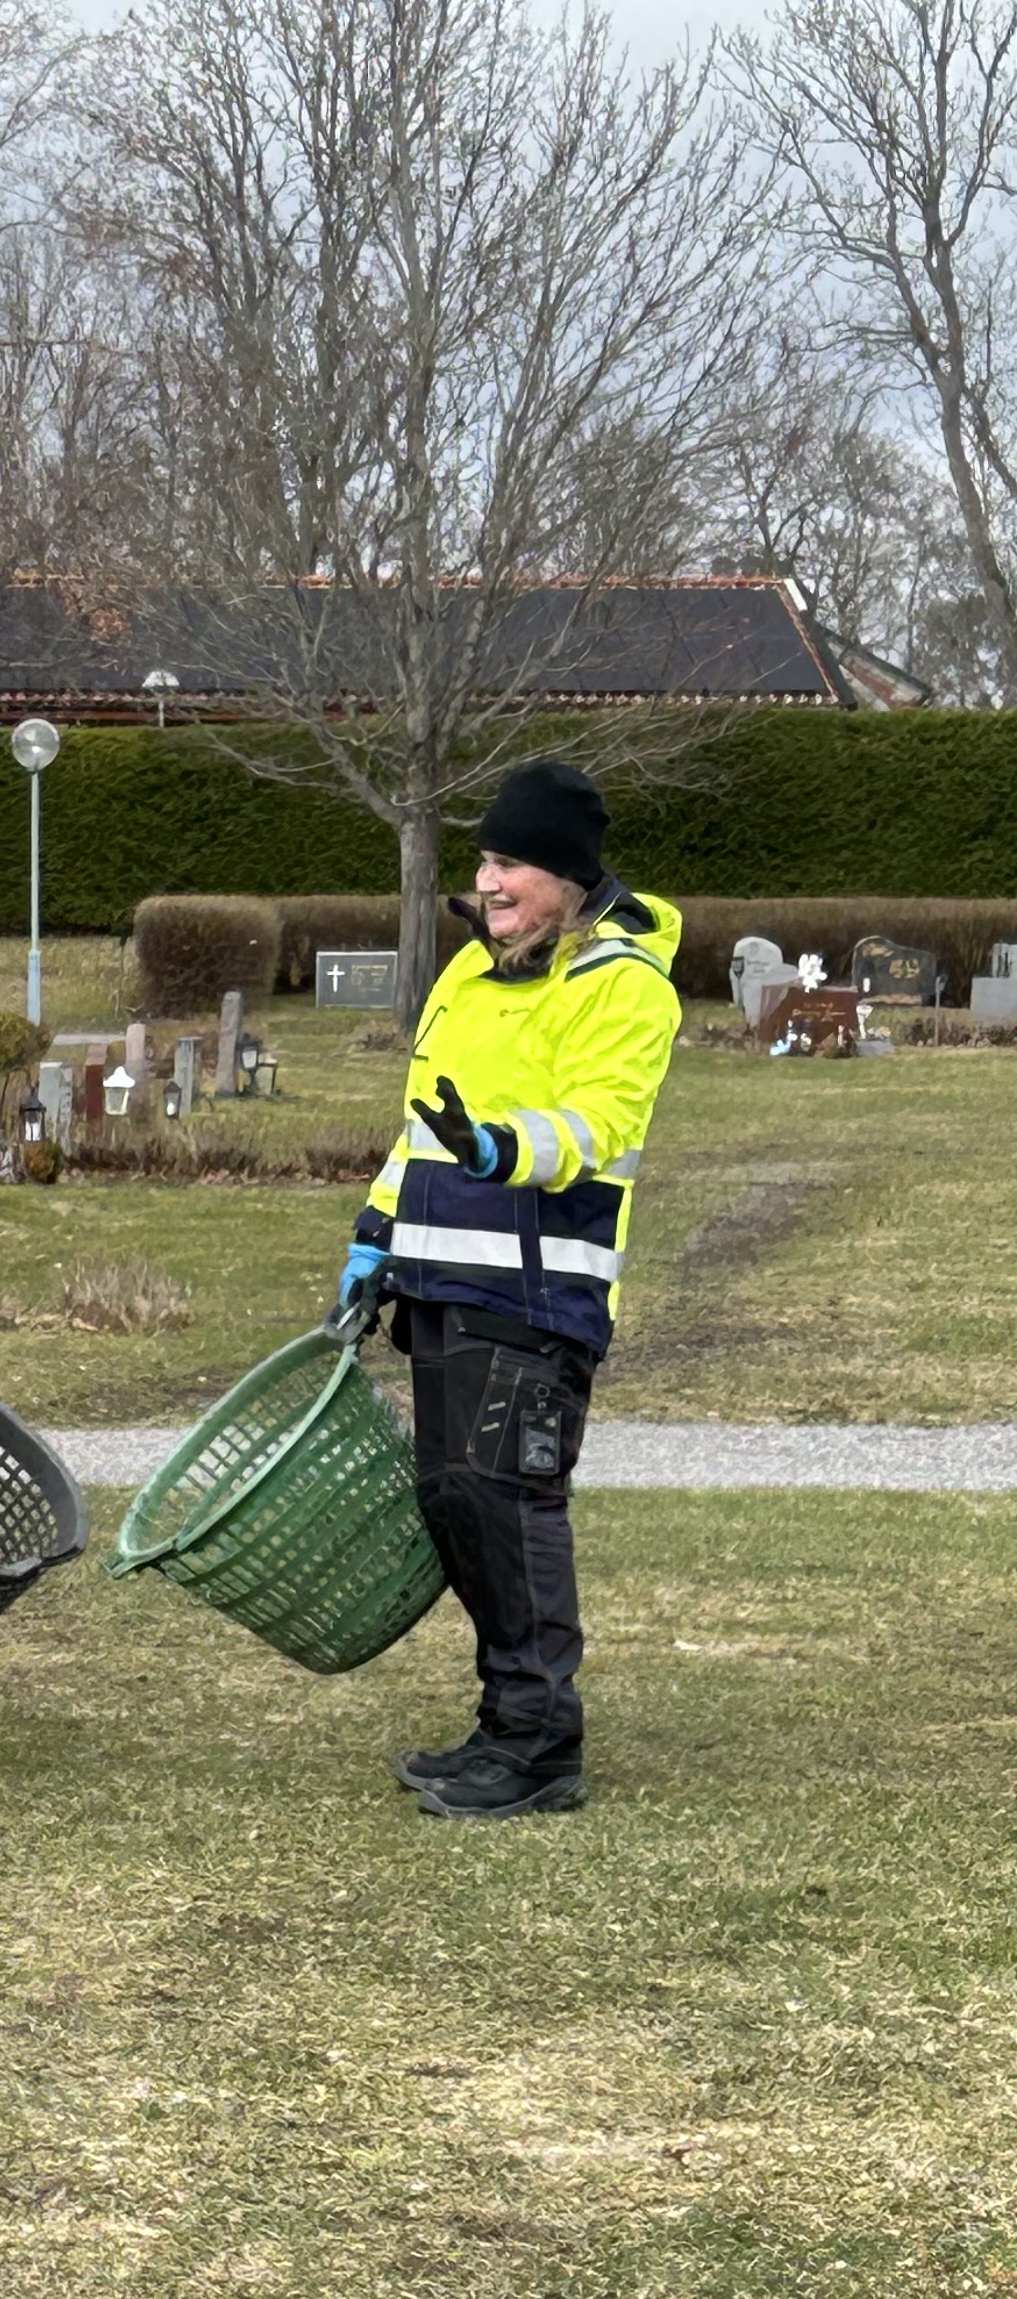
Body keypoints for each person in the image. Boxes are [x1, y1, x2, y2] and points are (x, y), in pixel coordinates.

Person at [338, 760, 681, 1821]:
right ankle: (504, 1726)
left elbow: (598, 1125)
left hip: (538, 1294)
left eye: (509, 864)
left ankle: (540, 1748)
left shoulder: (623, 984)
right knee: (459, 1504)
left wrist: (501, 1149)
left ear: (565, 877)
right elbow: (420, 1132)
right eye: (483, 860)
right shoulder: (468, 974)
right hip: (441, 1282)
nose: (486, 882)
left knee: (513, 1508)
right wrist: (374, 1239)